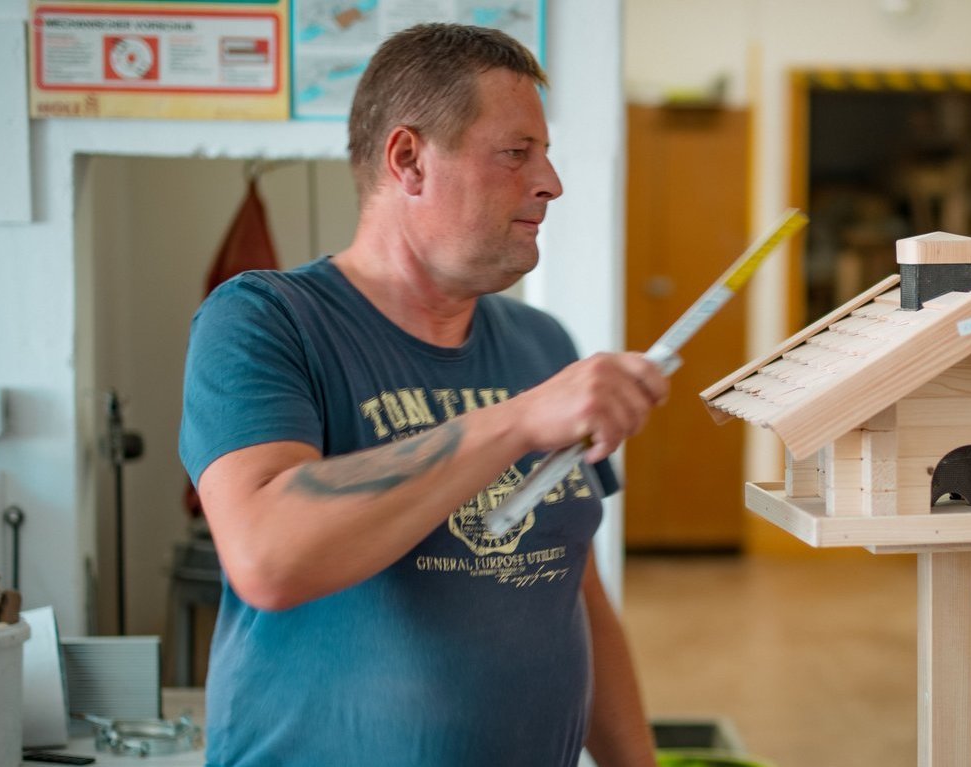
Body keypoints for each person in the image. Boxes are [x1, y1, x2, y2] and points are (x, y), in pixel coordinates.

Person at [178, 24, 662, 767]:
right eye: (515, 152)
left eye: (546, 152)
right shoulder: (265, 319)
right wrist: (520, 419)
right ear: (408, 159)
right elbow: (267, 556)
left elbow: (577, 592)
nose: (550, 182)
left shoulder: (542, 346)